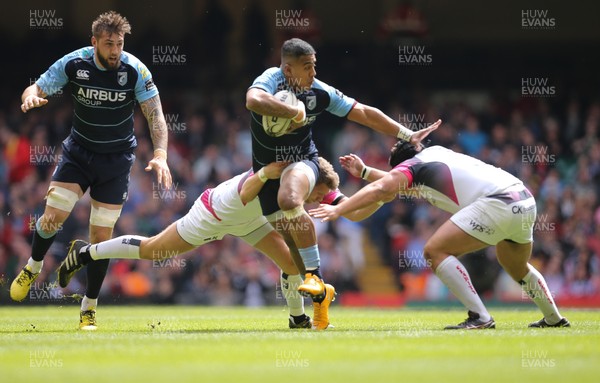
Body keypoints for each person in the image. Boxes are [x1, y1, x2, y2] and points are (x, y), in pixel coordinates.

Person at [58, 158, 379, 330]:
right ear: (313, 182)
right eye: (319, 195)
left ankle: (297, 319)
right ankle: (85, 252)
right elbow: (244, 193)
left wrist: (377, 187)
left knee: (293, 263)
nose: (318, 202)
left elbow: (353, 208)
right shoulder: (282, 179)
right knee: (153, 249)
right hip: (215, 213)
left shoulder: (307, 182)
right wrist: (266, 172)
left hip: (252, 221)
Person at [245, 37, 440, 316]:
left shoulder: (320, 91)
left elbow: (362, 112)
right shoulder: (271, 80)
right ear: (288, 70)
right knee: (293, 247)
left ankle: (314, 280)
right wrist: (293, 112)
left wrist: (406, 134)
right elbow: (253, 100)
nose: (313, 73)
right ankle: (319, 298)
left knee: (289, 199)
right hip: (266, 172)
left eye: (315, 66)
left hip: (303, 162)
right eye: (307, 67)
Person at [10, 11, 172, 330]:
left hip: (116, 160)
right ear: (94, 42)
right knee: (51, 218)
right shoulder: (74, 63)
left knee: (99, 240)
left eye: (120, 44)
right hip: (79, 154)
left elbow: (156, 116)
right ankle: (33, 265)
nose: (115, 50)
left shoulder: (135, 70)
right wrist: (30, 99)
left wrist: (161, 154)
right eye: (109, 44)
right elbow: (36, 88)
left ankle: (89, 308)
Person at [309, 141, 571, 329]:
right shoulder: (436, 156)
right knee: (515, 265)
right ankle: (553, 317)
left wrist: (340, 207)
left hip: (497, 202)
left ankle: (479, 316)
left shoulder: (414, 168)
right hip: (524, 200)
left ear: (402, 167)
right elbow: (399, 184)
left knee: (434, 251)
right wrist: (365, 171)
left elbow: (383, 187)